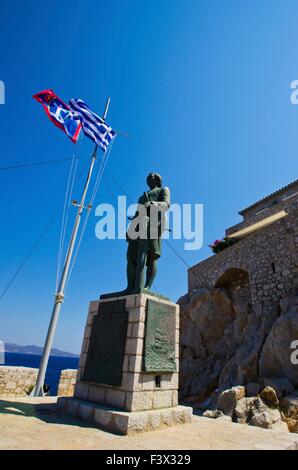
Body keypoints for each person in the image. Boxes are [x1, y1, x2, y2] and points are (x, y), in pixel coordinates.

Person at [126, 173, 170, 291]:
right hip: (138, 225)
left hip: (154, 224)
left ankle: (146, 287)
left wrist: (152, 203)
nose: (148, 178)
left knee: (150, 257)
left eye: (151, 176)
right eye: (147, 177)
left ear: (157, 179)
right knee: (130, 256)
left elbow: (166, 205)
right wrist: (130, 228)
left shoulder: (163, 190)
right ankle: (130, 287)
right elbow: (137, 213)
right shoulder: (142, 197)